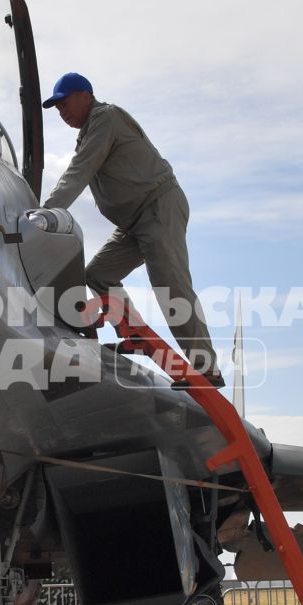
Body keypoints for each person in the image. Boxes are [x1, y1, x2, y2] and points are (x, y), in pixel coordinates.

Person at [40, 72, 220, 387]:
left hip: (157, 206)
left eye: (64, 102)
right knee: (97, 274)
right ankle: (134, 331)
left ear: (85, 94)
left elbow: (79, 172)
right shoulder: (88, 132)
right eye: (57, 108)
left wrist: (45, 215)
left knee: (170, 283)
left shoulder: (105, 118)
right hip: (132, 223)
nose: (61, 112)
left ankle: (206, 367)